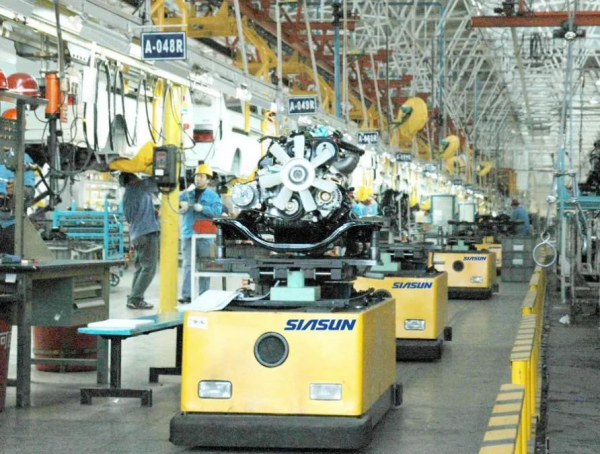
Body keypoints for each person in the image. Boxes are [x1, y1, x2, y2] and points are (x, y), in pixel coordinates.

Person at [179, 164, 222, 303]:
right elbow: (174, 206)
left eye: (201, 176)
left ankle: (204, 294)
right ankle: (187, 295)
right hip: (188, 234)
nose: (198, 179)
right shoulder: (186, 194)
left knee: (205, 265)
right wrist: (180, 205)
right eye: (197, 176)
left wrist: (203, 208)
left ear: (208, 179)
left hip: (205, 237)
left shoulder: (213, 196)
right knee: (188, 265)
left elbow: (217, 212)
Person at [121, 173, 160, 310]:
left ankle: (134, 298)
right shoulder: (141, 186)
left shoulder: (127, 195)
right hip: (147, 233)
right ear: (133, 178)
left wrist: (151, 213)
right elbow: (158, 181)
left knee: (140, 268)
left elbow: (131, 216)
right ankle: (135, 298)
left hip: (136, 235)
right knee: (149, 268)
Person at [0, 154, 36, 254]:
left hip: (12, 225)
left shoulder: (23, 157)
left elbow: (30, 192)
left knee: (13, 260)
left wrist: (18, 188)